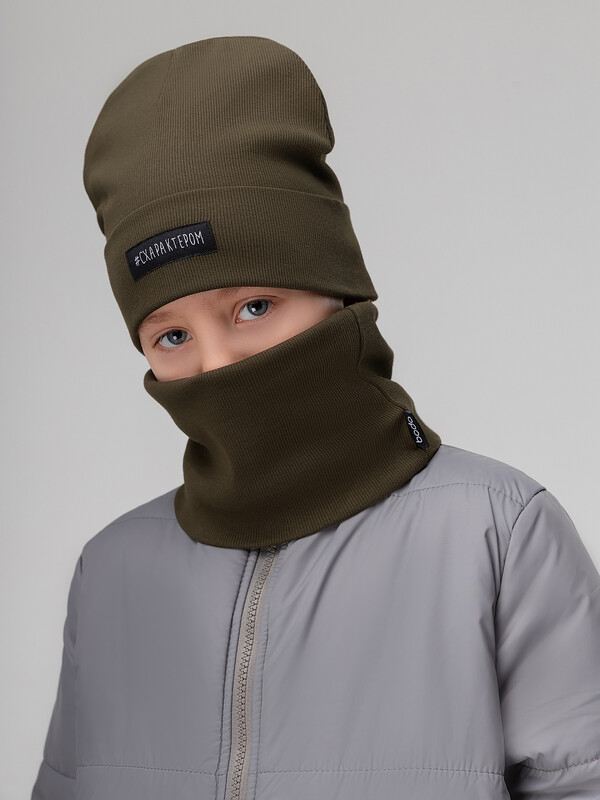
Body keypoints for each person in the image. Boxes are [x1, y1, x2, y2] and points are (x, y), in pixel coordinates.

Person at [31, 35, 600, 800]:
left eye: (254, 306)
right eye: (172, 336)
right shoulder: (111, 574)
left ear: (337, 289)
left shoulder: (497, 535)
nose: (217, 365)